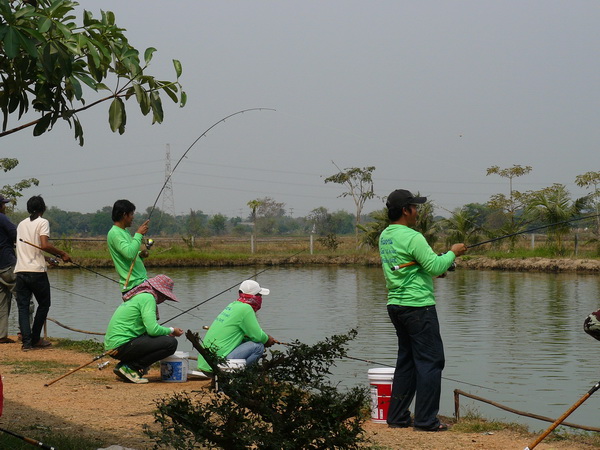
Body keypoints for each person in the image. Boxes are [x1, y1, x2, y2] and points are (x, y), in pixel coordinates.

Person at [378, 189, 467, 432]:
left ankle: (397, 416)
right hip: (418, 307)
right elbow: (434, 264)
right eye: (415, 207)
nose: (418, 211)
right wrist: (453, 253)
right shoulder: (412, 236)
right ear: (406, 210)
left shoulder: (385, 235)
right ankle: (427, 420)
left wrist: (439, 265)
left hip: (396, 305)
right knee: (431, 361)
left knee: (407, 361)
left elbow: (421, 268)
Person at [14, 195, 72, 351]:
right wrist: (61, 253)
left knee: (23, 307)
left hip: (20, 271)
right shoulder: (43, 222)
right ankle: (35, 339)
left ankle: (26, 343)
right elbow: (44, 245)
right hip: (36, 273)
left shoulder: (21, 224)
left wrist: (45, 258)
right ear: (43, 209)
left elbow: (31, 249)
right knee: (44, 304)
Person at [104, 274, 184, 384]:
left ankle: (124, 366)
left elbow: (148, 330)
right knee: (170, 343)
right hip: (121, 345)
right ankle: (132, 367)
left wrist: (165, 333)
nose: (164, 299)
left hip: (115, 346)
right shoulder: (148, 298)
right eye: (165, 296)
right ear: (159, 292)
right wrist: (171, 330)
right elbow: (153, 330)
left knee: (163, 339)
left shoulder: (139, 296)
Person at [197, 279, 276, 374]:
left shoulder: (233, 305)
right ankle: (243, 377)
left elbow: (250, 333)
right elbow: (258, 336)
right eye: (260, 295)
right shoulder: (246, 308)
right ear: (255, 296)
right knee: (258, 347)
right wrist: (268, 339)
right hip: (216, 366)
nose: (261, 298)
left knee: (248, 342)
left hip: (205, 364)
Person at [107, 199, 150, 293]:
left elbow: (130, 252)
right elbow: (129, 254)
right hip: (133, 285)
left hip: (140, 282)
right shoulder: (115, 233)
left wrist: (140, 254)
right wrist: (138, 234)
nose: (133, 217)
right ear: (124, 215)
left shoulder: (124, 231)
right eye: (131, 214)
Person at [0, 195, 17, 344]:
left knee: (2, 301)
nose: (5, 207)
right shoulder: (2, 218)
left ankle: (1, 335)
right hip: (7, 264)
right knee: (24, 297)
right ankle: (26, 334)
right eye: (3, 204)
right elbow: (16, 234)